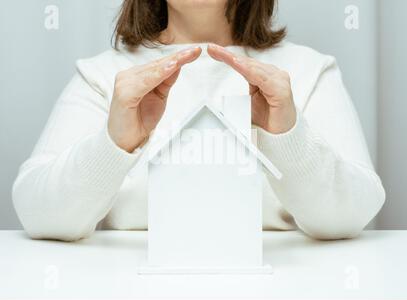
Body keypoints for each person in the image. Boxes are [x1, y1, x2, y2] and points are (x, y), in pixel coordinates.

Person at [12, 0, 385, 241]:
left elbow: (352, 217)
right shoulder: (101, 76)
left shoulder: (308, 71)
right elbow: (39, 216)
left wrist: (287, 135)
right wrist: (114, 144)